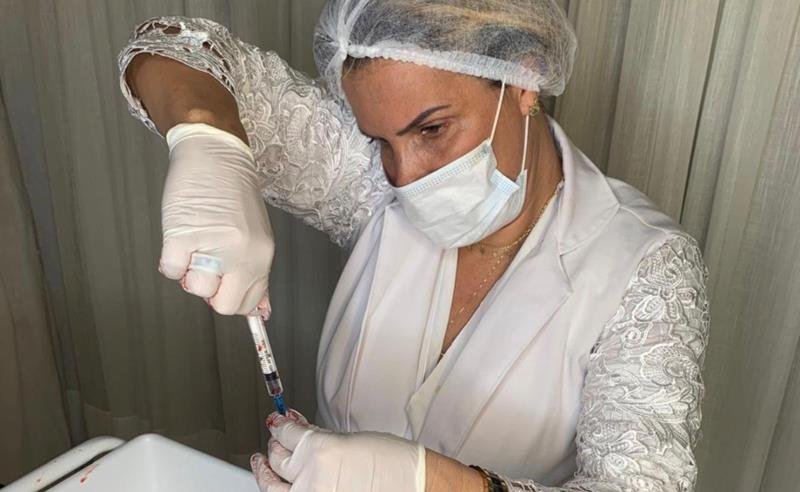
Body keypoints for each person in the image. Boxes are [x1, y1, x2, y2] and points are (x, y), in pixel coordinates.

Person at [117, 1, 711, 490]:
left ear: (524, 79)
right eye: (380, 140)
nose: (405, 175)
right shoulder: (371, 181)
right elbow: (166, 49)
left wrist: (435, 484)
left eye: (433, 129)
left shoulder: (643, 267)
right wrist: (207, 138)